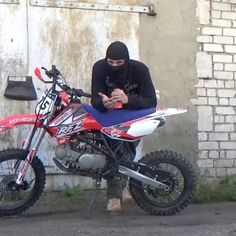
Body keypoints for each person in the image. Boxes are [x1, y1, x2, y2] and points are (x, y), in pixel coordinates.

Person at [91, 41, 157, 214]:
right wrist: (104, 103)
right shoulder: (99, 68)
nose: (114, 66)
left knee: (127, 152)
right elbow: (95, 99)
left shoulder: (140, 70)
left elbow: (151, 101)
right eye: (110, 62)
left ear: (126, 60)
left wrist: (128, 99)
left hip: (134, 117)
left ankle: (121, 190)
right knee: (113, 152)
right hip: (110, 117)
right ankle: (115, 196)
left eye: (119, 63)